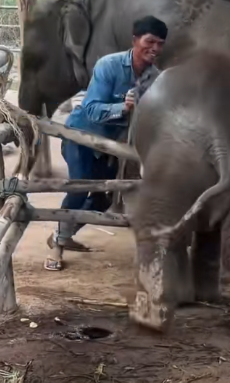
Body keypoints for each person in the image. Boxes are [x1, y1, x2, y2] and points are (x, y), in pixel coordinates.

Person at [44, 15, 168, 271]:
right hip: (81, 136)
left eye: (160, 44)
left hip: (110, 146)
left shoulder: (155, 77)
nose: (155, 48)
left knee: (103, 198)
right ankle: (58, 247)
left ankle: (62, 234)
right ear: (135, 40)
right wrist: (123, 107)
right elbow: (90, 109)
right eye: (150, 41)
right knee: (79, 188)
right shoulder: (109, 65)